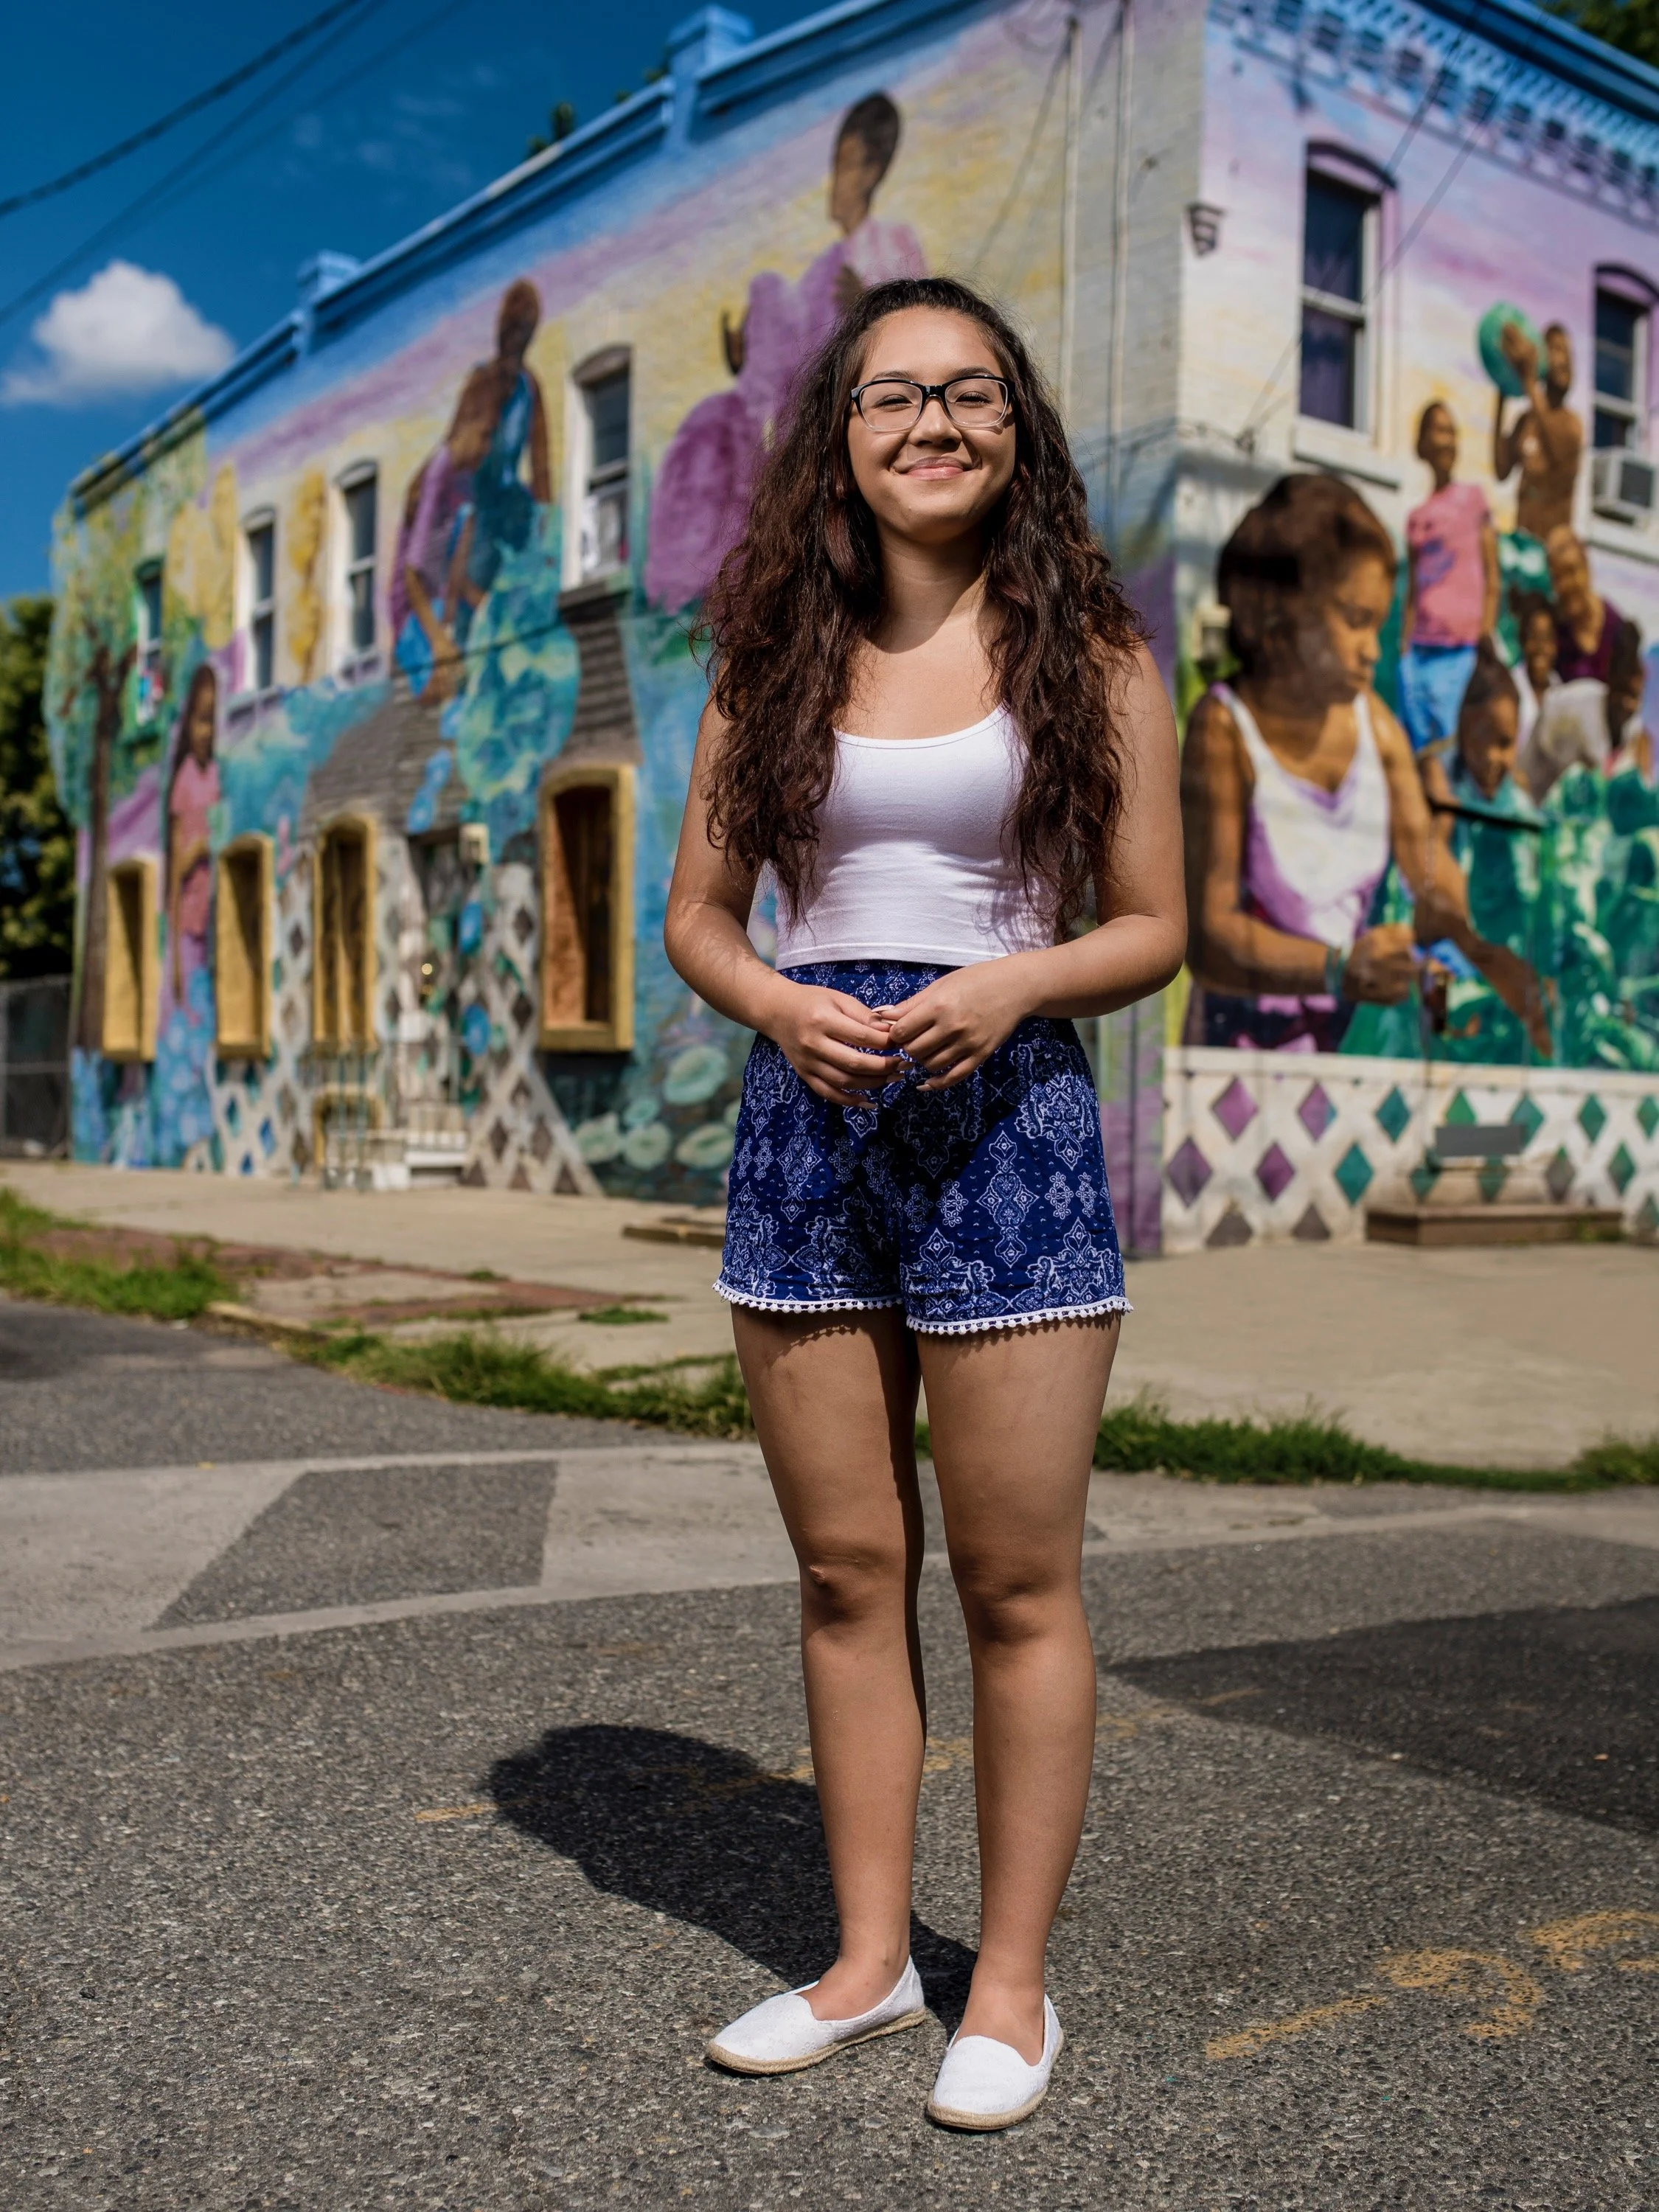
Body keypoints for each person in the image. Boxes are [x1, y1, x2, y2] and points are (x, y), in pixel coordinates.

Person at [664, 276, 1183, 2129]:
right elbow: (697, 916)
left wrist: (1018, 982)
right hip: (807, 1120)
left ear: (1014, 425)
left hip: (1008, 1112)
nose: (931, 423)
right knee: (843, 1569)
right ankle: (870, 1964)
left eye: (968, 394)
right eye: (892, 396)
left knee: (1014, 1577)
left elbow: (1151, 921)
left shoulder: (1095, 653)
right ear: (842, 435)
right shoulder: (768, 656)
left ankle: (1011, 1990)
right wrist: (779, 997)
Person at [1183, 473, 1548, 1053]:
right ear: (1282, 611)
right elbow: (1209, 937)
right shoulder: (1226, 726)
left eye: (1379, 624)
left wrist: (1482, 952)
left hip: (1341, 1056)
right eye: (1354, 620)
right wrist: (1338, 967)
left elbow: (1427, 872)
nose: (1373, 650)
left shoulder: (1375, 725)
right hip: (1240, 1063)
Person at [646, 94, 925, 613]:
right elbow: (790, 375)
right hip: (820, 459)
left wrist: (865, 305)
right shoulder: (821, 269)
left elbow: (925, 340)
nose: (834, 183)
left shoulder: (895, 245)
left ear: (870, 170)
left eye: (845, 165)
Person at [1397, 401, 1498, 754]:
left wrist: (1485, 632)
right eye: (1439, 431)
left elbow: (1492, 575)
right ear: (1423, 442)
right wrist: (1404, 649)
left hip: (1461, 651)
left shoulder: (1473, 500)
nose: (1447, 440)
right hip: (1419, 652)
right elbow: (1412, 589)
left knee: (1453, 751)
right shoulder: (1416, 517)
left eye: (1452, 431)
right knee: (1418, 754)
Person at [1492, 320, 1583, 543]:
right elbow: (1501, 469)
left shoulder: (1572, 424)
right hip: (1524, 546)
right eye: (1557, 350)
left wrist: (1529, 382)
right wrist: (1503, 389)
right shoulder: (1527, 421)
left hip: (1553, 552)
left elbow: (1558, 450)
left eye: (1569, 354)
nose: (1566, 362)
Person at [165, 664, 220, 1001]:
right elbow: (175, 870)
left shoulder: (217, 774)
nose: (207, 731)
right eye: (201, 720)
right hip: (189, 923)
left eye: (213, 719)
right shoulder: (184, 780)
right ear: (188, 723)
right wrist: (172, 966)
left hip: (215, 914)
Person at [1546, 524, 1623, 683]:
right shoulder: (1553, 628)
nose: (1566, 585)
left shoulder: (1614, 624)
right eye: (1558, 577)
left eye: (1571, 571)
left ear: (1587, 568)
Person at [1509, 588, 1559, 753]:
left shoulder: (1561, 690)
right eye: (1533, 638)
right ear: (1523, 641)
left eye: (1547, 639)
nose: (1540, 648)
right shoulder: (1510, 687)